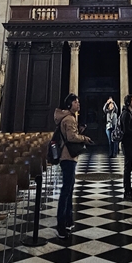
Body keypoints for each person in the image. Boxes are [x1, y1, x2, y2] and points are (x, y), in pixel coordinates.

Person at [53, 94, 92, 239]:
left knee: (69, 188)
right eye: (76, 102)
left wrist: (78, 132)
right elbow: (71, 137)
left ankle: (68, 220)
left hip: (67, 156)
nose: (78, 104)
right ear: (70, 105)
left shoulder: (67, 118)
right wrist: (84, 138)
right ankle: (61, 224)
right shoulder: (69, 119)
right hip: (67, 156)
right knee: (66, 190)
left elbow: (70, 134)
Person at [119, 94, 132, 200]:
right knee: (128, 168)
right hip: (127, 143)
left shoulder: (128, 113)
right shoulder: (126, 114)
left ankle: (129, 190)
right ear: (128, 102)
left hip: (128, 142)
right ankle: (127, 191)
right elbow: (126, 131)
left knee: (129, 167)